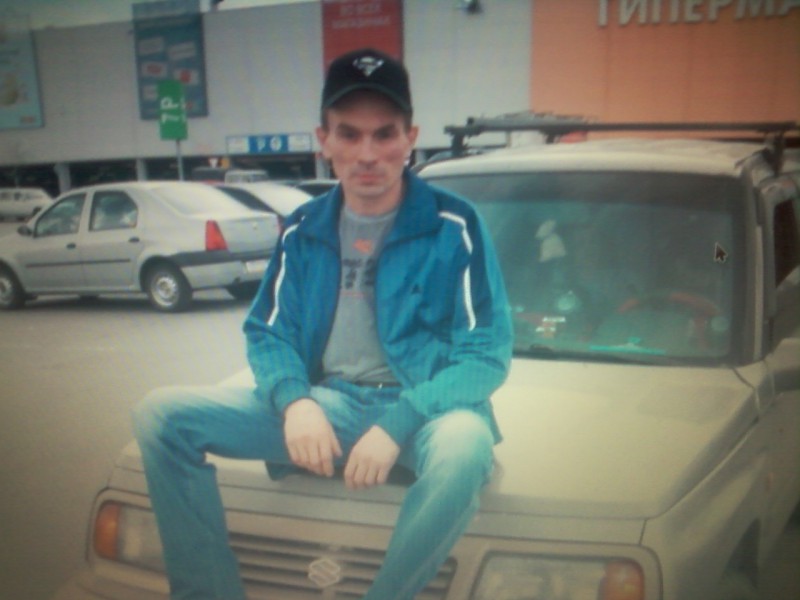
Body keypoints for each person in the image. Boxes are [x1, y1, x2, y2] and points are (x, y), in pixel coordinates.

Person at [132, 47, 513, 600]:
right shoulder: (303, 228)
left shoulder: (455, 224)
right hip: (330, 405)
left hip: (428, 413)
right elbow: (269, 331)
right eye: (349, 134)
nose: (367, 154)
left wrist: (397, 424)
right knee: (161, 417)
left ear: (410, 137)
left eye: (384, 134)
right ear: (323, 139)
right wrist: (297, 402)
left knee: (464, 449)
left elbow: (485, 353)